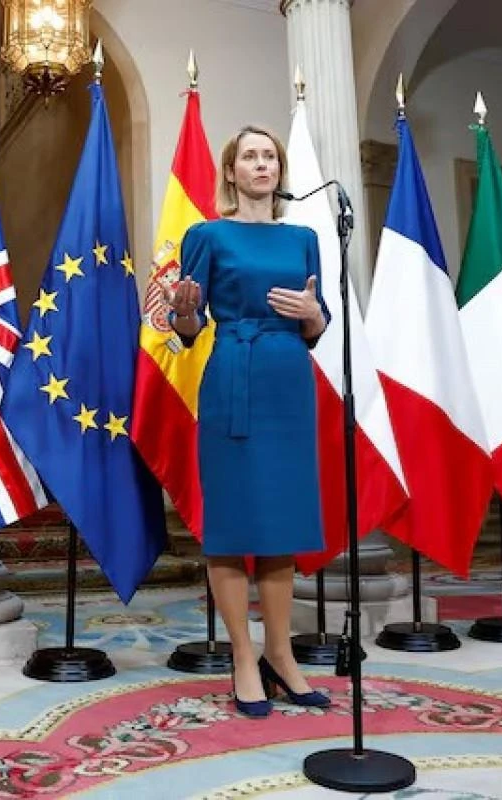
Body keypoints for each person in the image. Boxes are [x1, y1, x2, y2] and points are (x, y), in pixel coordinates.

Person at [168, 125, 332, 718]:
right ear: (231, 171)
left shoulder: (304, 238)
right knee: (235, 523)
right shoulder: (207, 235)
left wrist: (313, 312)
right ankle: (243, 656)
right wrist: (183, 314)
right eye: (250, 156)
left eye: (270, 156)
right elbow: (188, 328)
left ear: (279, 169)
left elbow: (317, 326)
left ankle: (281, 655)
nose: (262, 164)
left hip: (288, 380)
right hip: (233, 374)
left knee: (282, 522)